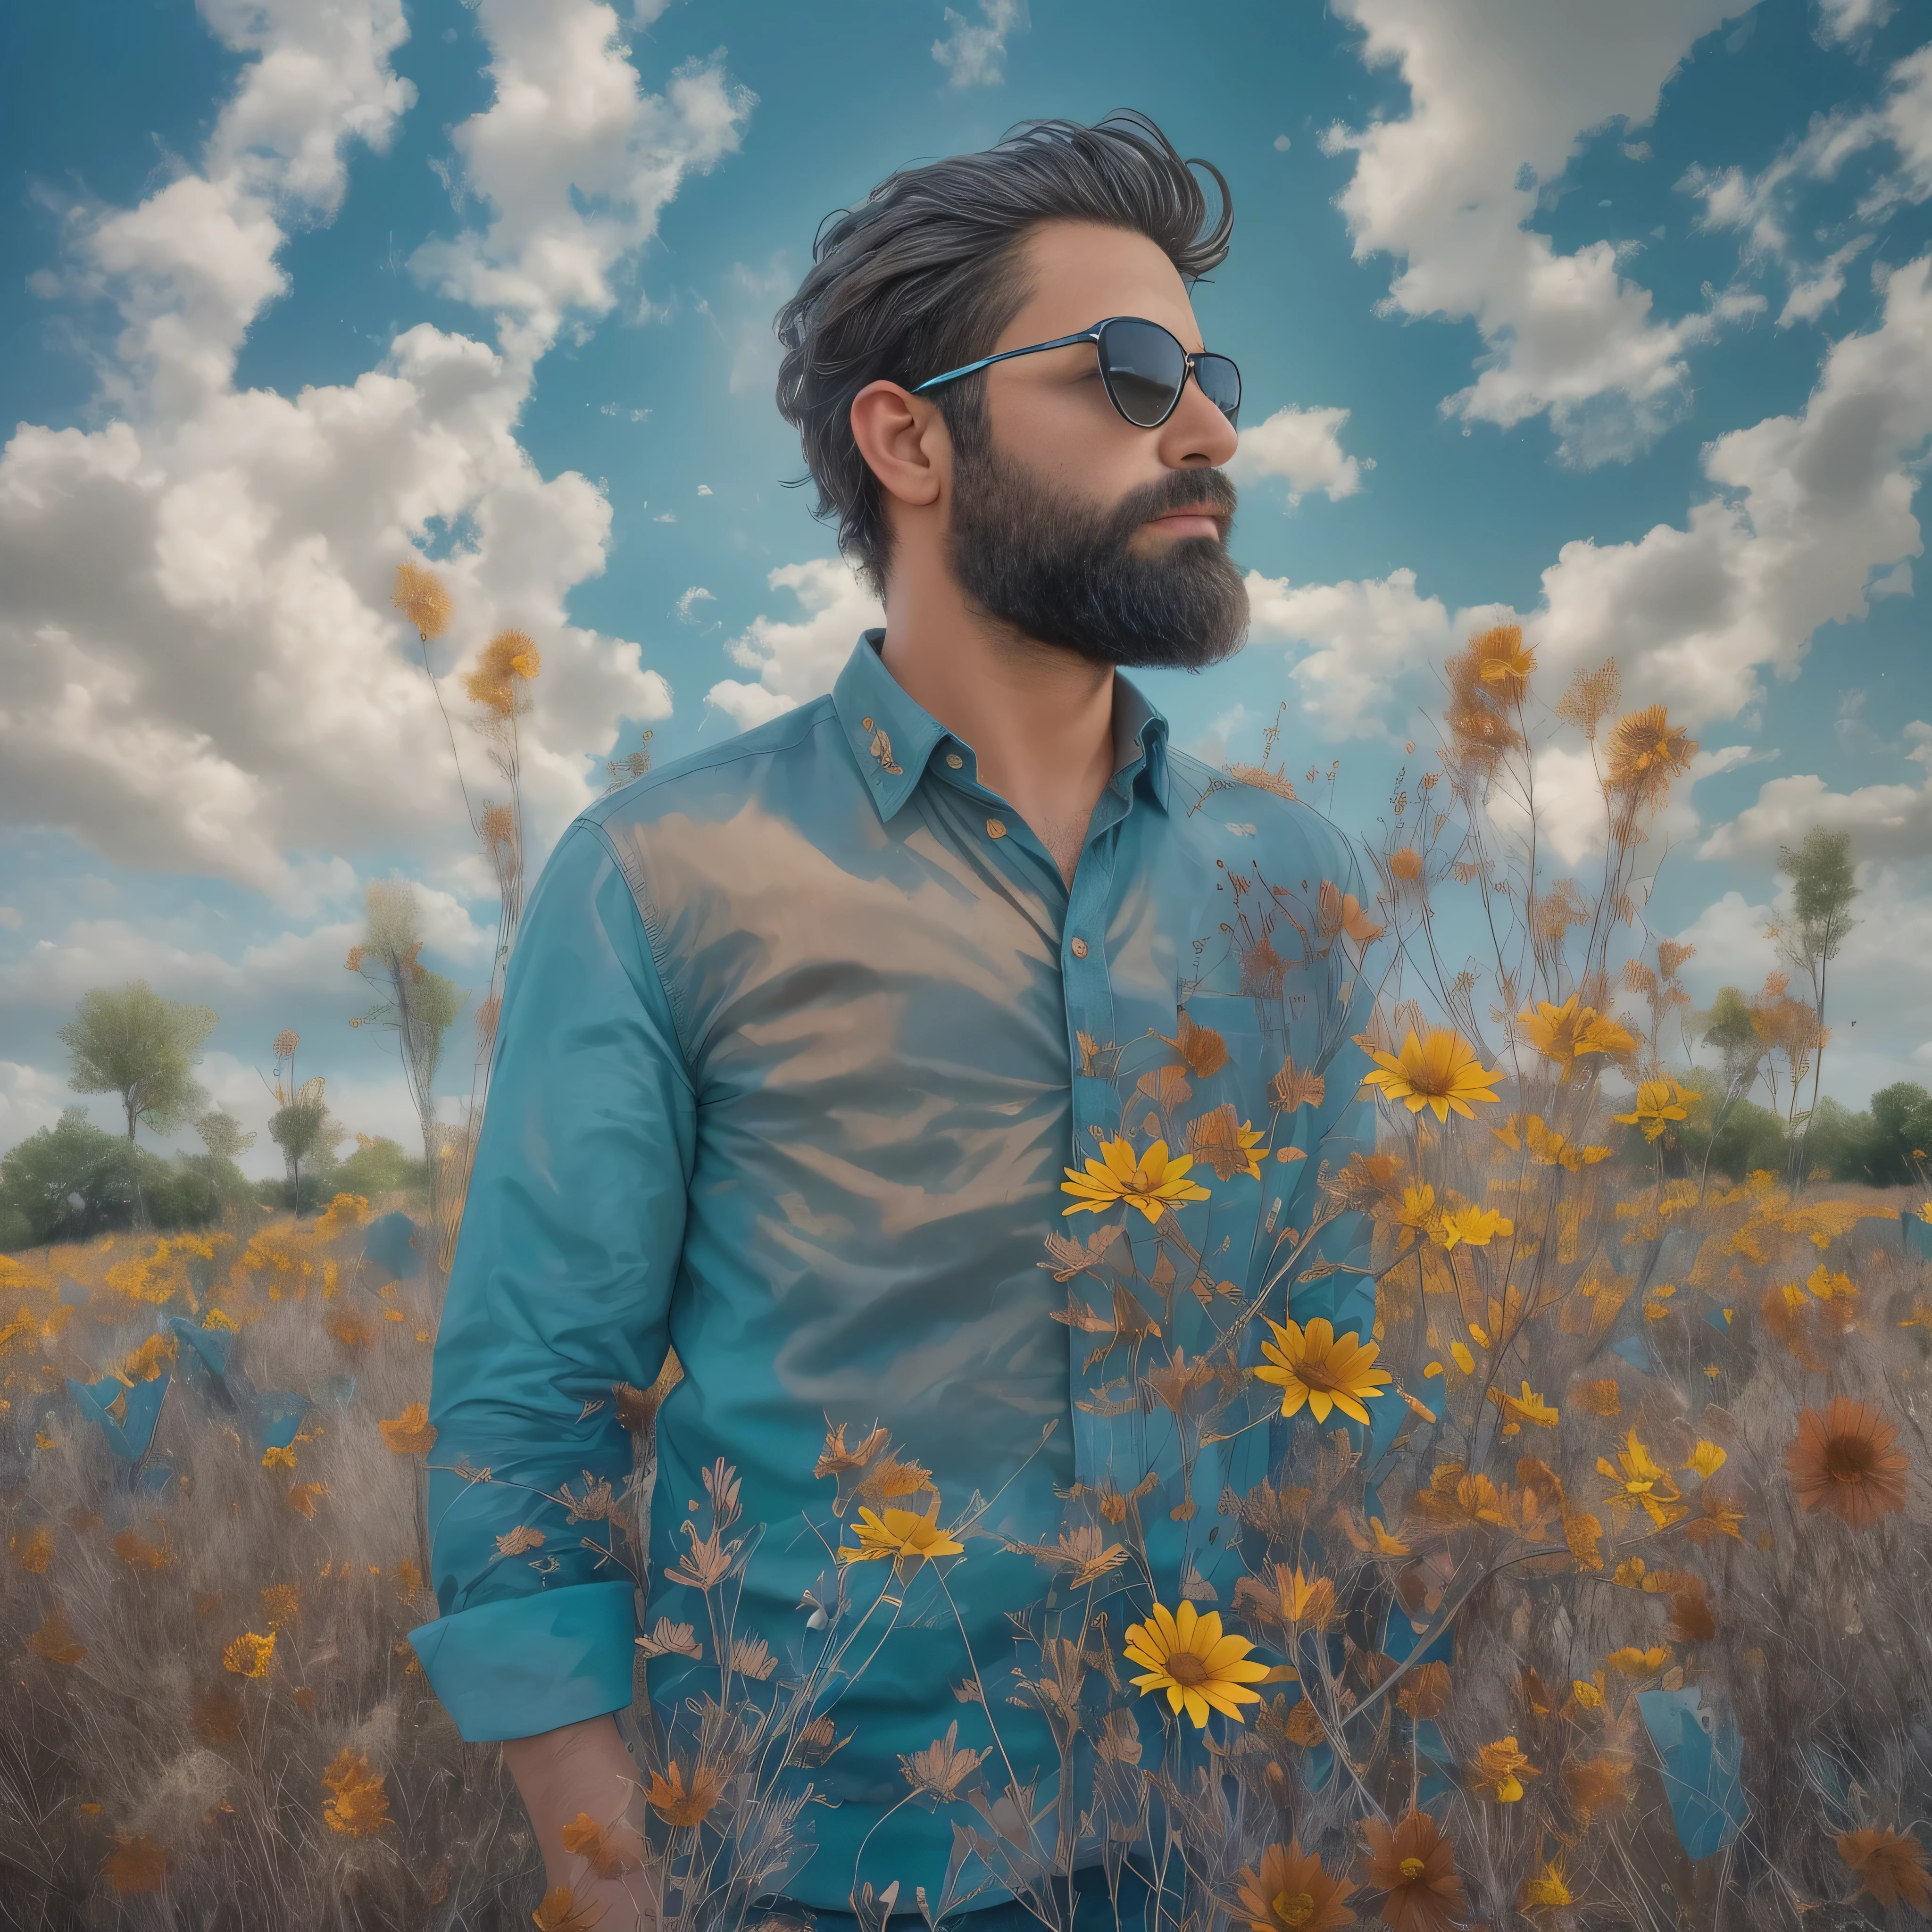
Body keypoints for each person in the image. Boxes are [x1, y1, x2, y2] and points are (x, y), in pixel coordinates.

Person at [409, 110, 1375, 1931]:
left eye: (1211, 374)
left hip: (1251, 1847)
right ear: (907, 433)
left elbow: (1334, 1353)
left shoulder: (1290, 878)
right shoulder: (661, 875)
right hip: (826, 1874)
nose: (1213, 430)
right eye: (1135, 372)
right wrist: (613, 1880)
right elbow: (531, 1412)